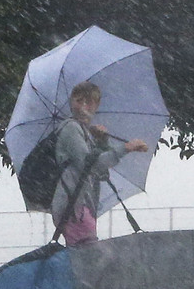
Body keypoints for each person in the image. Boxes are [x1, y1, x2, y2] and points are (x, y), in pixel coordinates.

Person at [50, 81, 149, 245]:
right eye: (78, 100)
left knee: (86, 255)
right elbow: (90, 165)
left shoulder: (83, 131)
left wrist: (102, 141)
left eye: (88, 102)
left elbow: (101, 172)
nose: (83, 106)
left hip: (81, 206)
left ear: (96, 105)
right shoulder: (71, 128)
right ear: (71, 102)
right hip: (73, 207)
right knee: (87, 257)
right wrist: (126, 148)